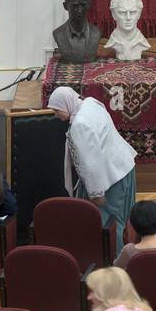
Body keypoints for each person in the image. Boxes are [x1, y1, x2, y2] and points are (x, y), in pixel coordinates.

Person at [46, 85, 137, 252]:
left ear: (66, 104)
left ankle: (115, 267)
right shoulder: (90, 103)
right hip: (124, 168)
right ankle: (128, 262)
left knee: (110, 226)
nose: (56, 115)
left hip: (110, 180)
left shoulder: (79, 125)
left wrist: (96, 194)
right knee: (123, 221)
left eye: (57, 110)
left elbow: (91, 164)